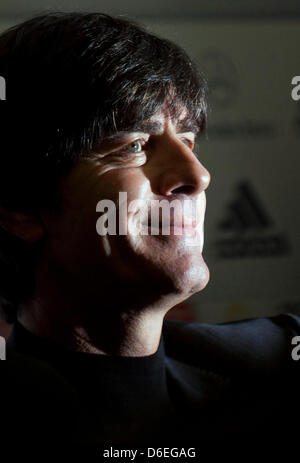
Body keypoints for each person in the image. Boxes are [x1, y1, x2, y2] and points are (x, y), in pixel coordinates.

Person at [0, 11, 299, 458]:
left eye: (189, 140)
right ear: (20, 208)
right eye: (134, 146)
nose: (198, 175)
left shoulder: (278, 362)